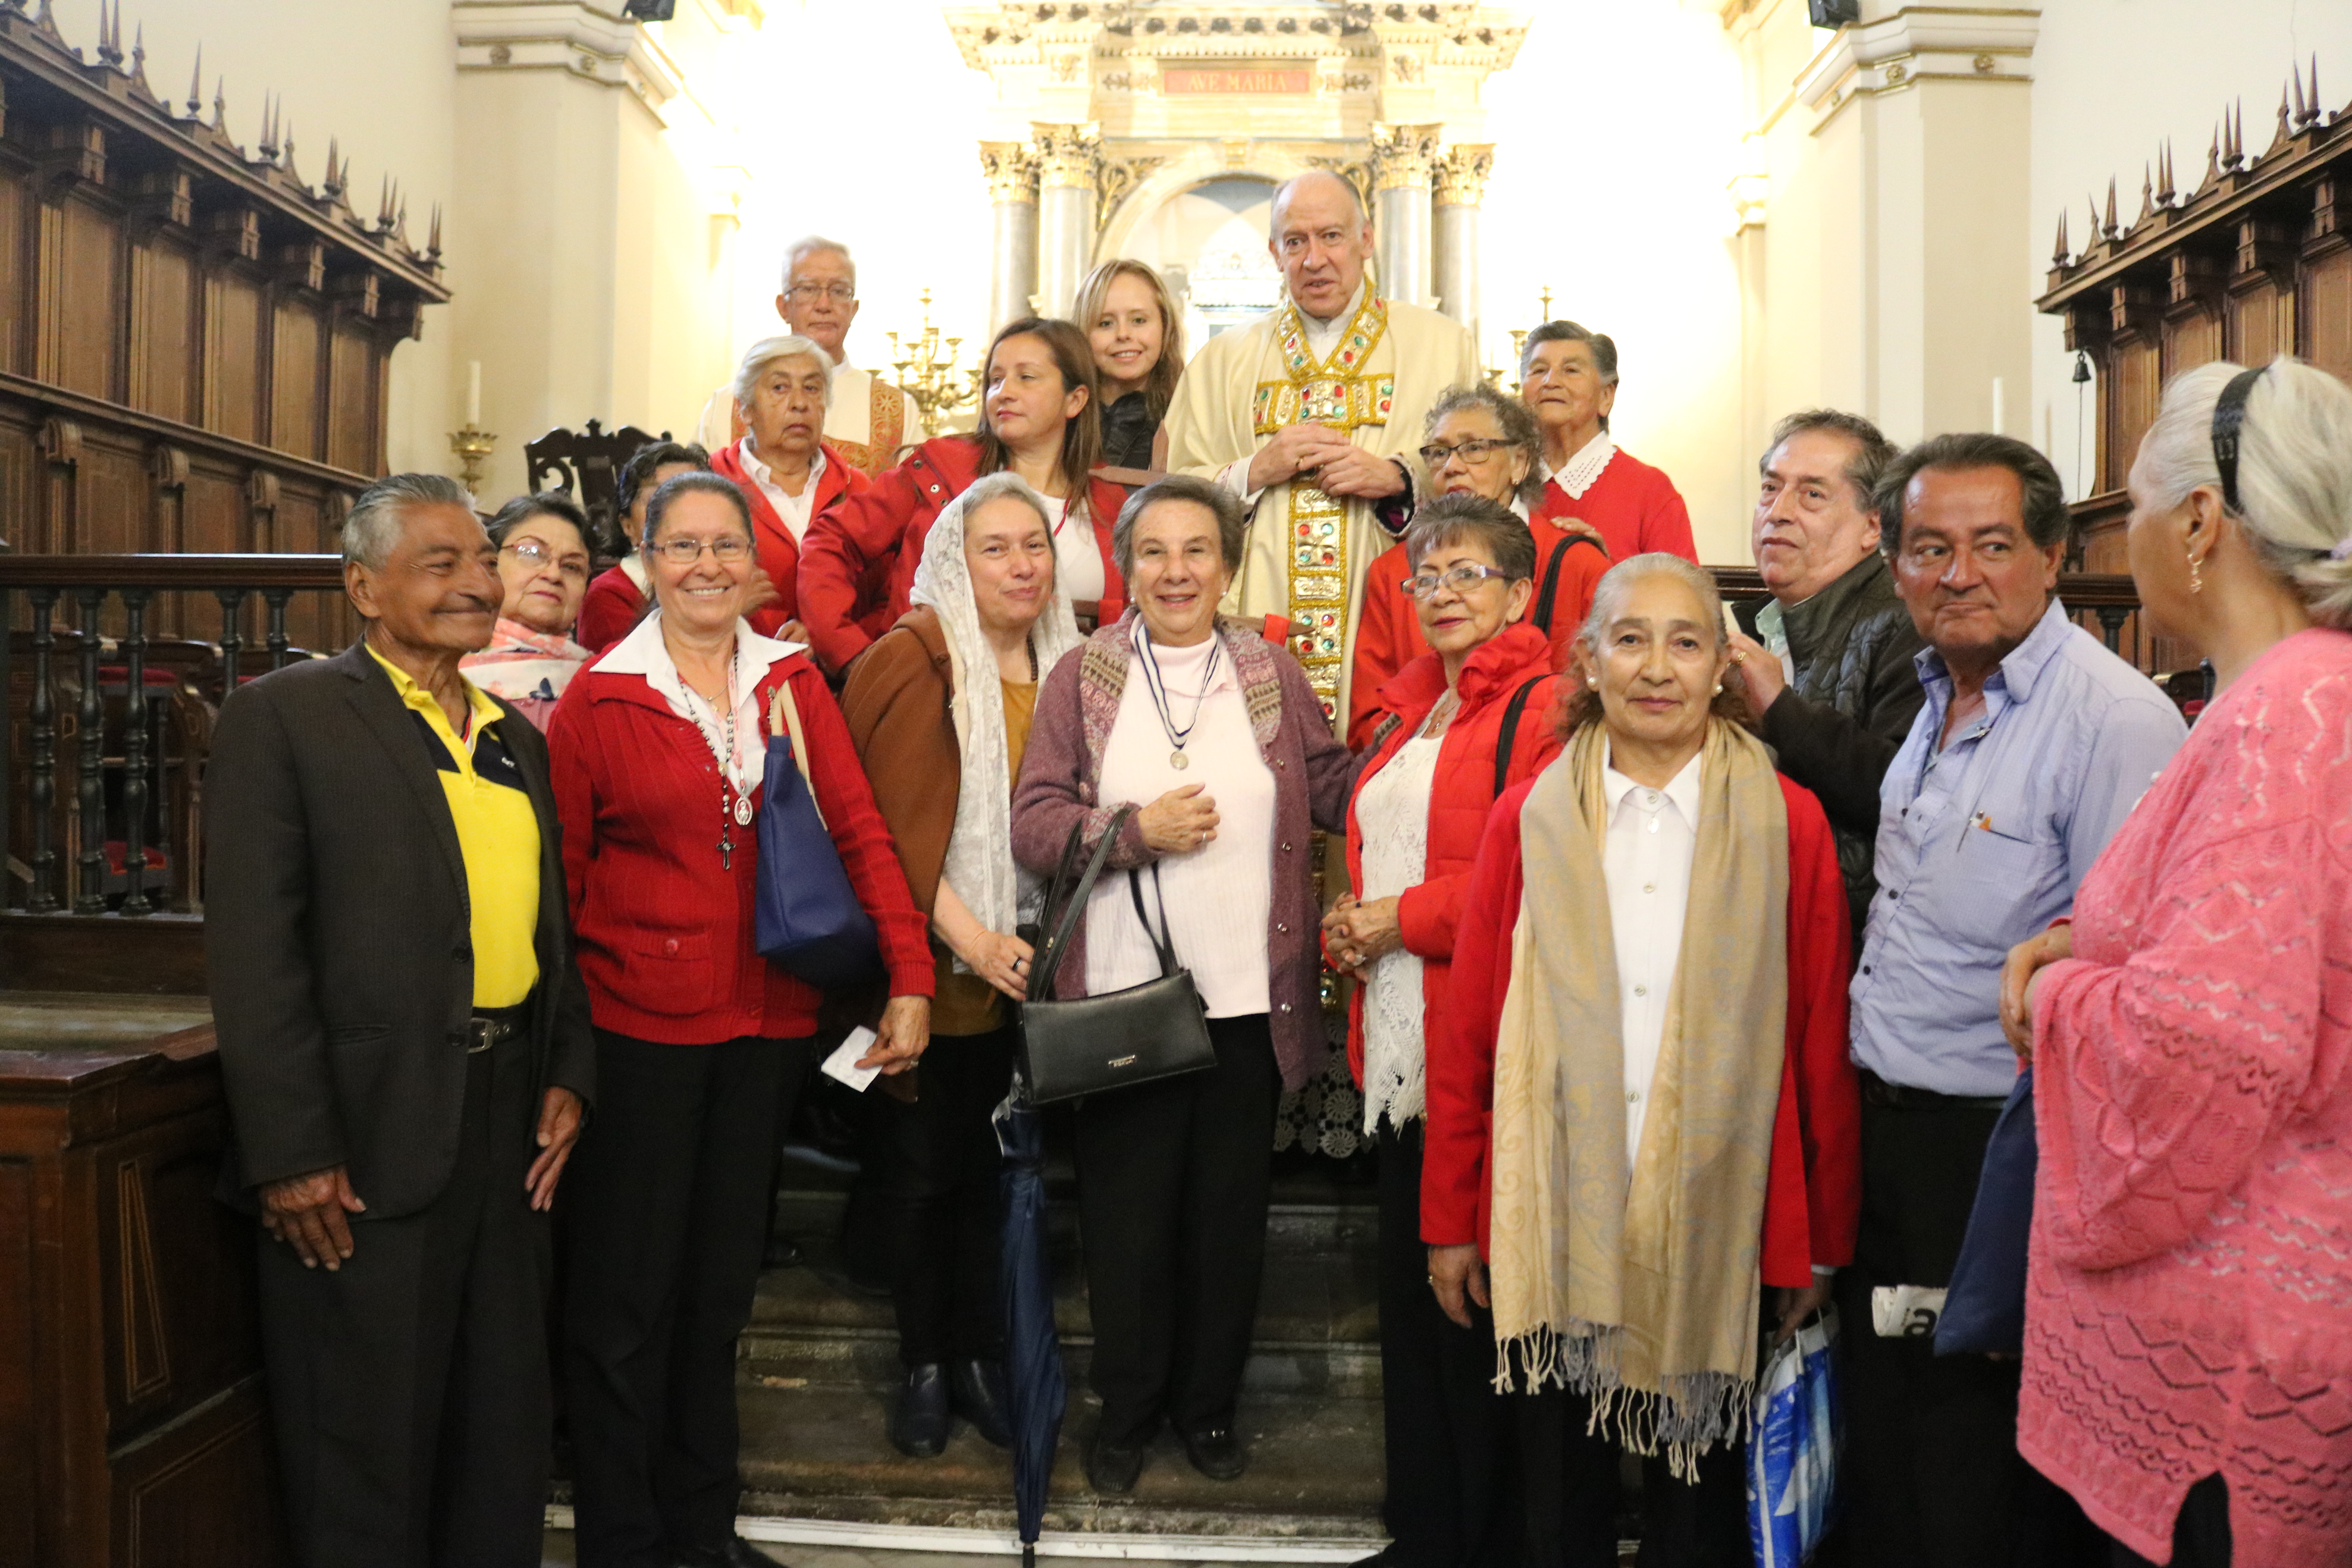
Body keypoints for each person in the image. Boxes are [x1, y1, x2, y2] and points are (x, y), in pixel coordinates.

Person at [1423, 552, 1859, 1568]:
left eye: (1686, 641)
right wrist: (1451, 1218)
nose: (1657, 667)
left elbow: (1818, 1045)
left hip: (1724, 1220)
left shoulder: (1783, 821)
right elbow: (1472, 1037)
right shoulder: (1528, 820)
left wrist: (1823, 1243)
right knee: (1562, 1508)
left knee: (1697, 1521)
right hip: (1560, 1212)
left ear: (1722, 669)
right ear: (1588, 660)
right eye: (1630, 639)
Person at [204, 472, 595, 1568]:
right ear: (364, 589)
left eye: (484, 561)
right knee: (365, 1454)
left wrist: (568, 1070)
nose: (479, 582)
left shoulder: (518, 737)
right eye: (444, 565)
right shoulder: (284, 719)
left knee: (501, 1440)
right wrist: (291, 1153)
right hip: (364, 1144)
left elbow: (547, 929)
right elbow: (254, 956)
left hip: (508, 1130)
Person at [2002, 358, 2352, 1568]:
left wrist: (2053, 993)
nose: (2131, 534)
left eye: (2137, 506)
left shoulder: (2284, 713)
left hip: (2239, 1350)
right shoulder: (2300, 697)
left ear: (2200, 523)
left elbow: (2204, 1043)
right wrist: (2093, 941)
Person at [548, 473, 934, 1568]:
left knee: (718, 1297)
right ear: (646, 558)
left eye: (727, 546)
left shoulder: (789, 679)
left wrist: (909, 972)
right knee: (627, 1309)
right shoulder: (600, 700)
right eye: (684, 547)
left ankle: (701, 1531)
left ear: (756, 567)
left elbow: (861, 834)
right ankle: (624, 1543)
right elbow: (561, 892)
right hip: (638, 1035)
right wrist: (564, 1060)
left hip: (766, 1031)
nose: (708, 566)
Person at [1839, 434, 2187, 1568]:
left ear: (2051, 557)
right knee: (1895, 1463)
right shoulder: (1936, 695)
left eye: (1993, 546)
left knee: (1979, 1484)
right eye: (1930, 548)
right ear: (1893, 564)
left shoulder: (2112, 721)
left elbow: (2135, 980)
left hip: (2004, 1154)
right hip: (1892, 1135)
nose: (1960, 574)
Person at [1010, 474, 1353, 1493]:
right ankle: (1128, 1414)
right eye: (1153, 551)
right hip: (1124, 1003)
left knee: (1225, 1226)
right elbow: (1032, 823)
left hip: (1250, 1002)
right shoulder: (1084, 676)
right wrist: (1130, 833)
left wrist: (1427, 747)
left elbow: (1332, 781)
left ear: (1227, 564)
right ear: (1127, 565)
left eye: (1196, 550)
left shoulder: (1271, 674)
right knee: (1127, 1228)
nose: (1175, 571)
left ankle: (1208, 1411)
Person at [1324, 493, 1566, 1568]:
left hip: (1485, 1038)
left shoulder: (1547, 705)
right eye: (1428, 576)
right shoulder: (1405, 706)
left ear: (1520, 593)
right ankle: (1426, 1529)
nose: (1445, 593)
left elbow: (1539, 874)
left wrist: (1398, 919)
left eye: (1470, 573)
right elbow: (1383, 841)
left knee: (1478, 1307)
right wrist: (1355, 922)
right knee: (1418, 1309)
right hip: (1398, 1032)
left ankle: (1488, 1536)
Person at [839, 472, 1084, 1458]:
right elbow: (886, 836)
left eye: (1035, 544)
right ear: (955, 559)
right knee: (923, 1174)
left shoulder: (1071, 661)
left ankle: (983, 1354)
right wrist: (972, 941)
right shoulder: (916, 658)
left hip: (1036, 973)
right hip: (931, 972)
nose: (1022, 564)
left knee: (999, 1177)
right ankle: (925, 1363)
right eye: (996, 547)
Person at [1165, 170, 1479, 728]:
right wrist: (1252, 471)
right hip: (1259, 609)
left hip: (1388, 607)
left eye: (1331, 237)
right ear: (1274, 252)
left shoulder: (1441, 345)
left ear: (1366, 239)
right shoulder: (1220, 363)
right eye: (1295, 242)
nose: (1314, 259)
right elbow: (1173, 501)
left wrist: (1401, 478)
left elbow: (1485, 482)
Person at [798, 317, 1130, 675]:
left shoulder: (1111, 505)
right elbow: (830, 541)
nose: (1004, 391)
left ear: (1075, 399)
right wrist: (851, 656)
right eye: (996, 379)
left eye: (1027, 377)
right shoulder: (941, 469)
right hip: (933, 699)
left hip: (1068, 705)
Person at [1725, 410, 1923, 938]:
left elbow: (1905, 793)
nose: (1778, 513)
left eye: (1811, 495)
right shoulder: (1766, 627)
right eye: (1770, 489)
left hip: (1852, 945)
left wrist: (1781, 709)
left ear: (1873, 526)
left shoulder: (1909, 626)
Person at [1348, 384, 1609, 748]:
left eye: (1475, 449)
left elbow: (1604, 706)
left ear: (1519, 462)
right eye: (1439, 453)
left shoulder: (1577, 562)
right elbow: (1369, 721)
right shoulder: (1394, 572)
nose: (1453, 467)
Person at [694, 235, 909, 477]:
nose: (824, 304)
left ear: (853, 309)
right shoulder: (728, 404)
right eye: (808, 289)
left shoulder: (897, 411)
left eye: (839, 291)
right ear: (783, 307)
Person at [707, 334, 871, 644]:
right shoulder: (710, 486)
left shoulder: (857, 489)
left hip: (845, 674)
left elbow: (886, 593)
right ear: (746, 409)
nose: (799, 404)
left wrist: (829, 634)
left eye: (812, 388)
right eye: (780, 388)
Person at [1519, 321, 1696, 564]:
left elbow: (1679, 596)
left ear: (1606, 396)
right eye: (1538, 371)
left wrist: (1601, 571)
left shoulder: (1650, 491)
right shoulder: (1505, 481)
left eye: (1571, 370)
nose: (1551, 381)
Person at [462, 490, 596, 731]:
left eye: (572, 566)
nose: (553, 574)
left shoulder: (601, 683)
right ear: (488, 563)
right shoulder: (441, 670)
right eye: (531, 553)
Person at [578, 439, 711, 653]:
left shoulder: (730, 577)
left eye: (694, 497)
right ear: (628, 525)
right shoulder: (608, 596)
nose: (679, 512)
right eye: (658, 500)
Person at [1078, 258, 1185, 471]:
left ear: (1165, 327)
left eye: (1139, 321)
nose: (1123, 335)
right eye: (1105, 323)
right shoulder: (1059, 417)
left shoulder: (1193, 414)